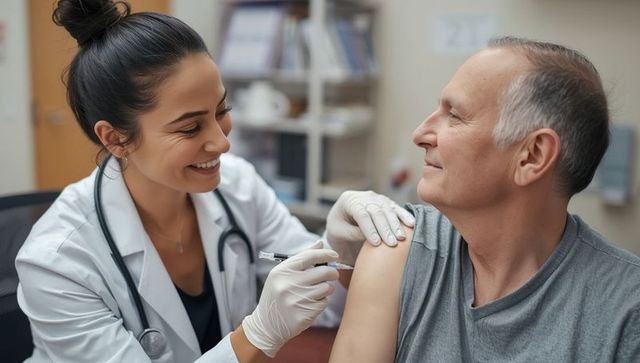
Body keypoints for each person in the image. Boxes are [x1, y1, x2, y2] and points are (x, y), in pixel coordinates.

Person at [15, 1, 415, 362]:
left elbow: (321, 305)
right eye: (190, 127)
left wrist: (341, 251)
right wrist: (258, 332)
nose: (223, 141)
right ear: (115, 138)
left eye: (221, 110)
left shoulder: (237, 186)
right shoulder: (58, 264)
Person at [328, 37, 640, 362]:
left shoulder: (626, 309)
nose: (420, 134)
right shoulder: (397, 247)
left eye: (455, 116)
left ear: (532, 155)